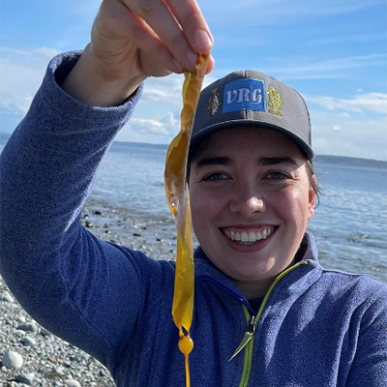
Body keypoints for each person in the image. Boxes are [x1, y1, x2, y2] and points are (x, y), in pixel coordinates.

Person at [0, 0, 387, 386]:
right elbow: (27, 241)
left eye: (275, 174)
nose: (249, 202)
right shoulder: (146, 301)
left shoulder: (364, 316)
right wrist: (101, 77)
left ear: (311, 197)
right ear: (183, 197)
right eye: (217, 176)